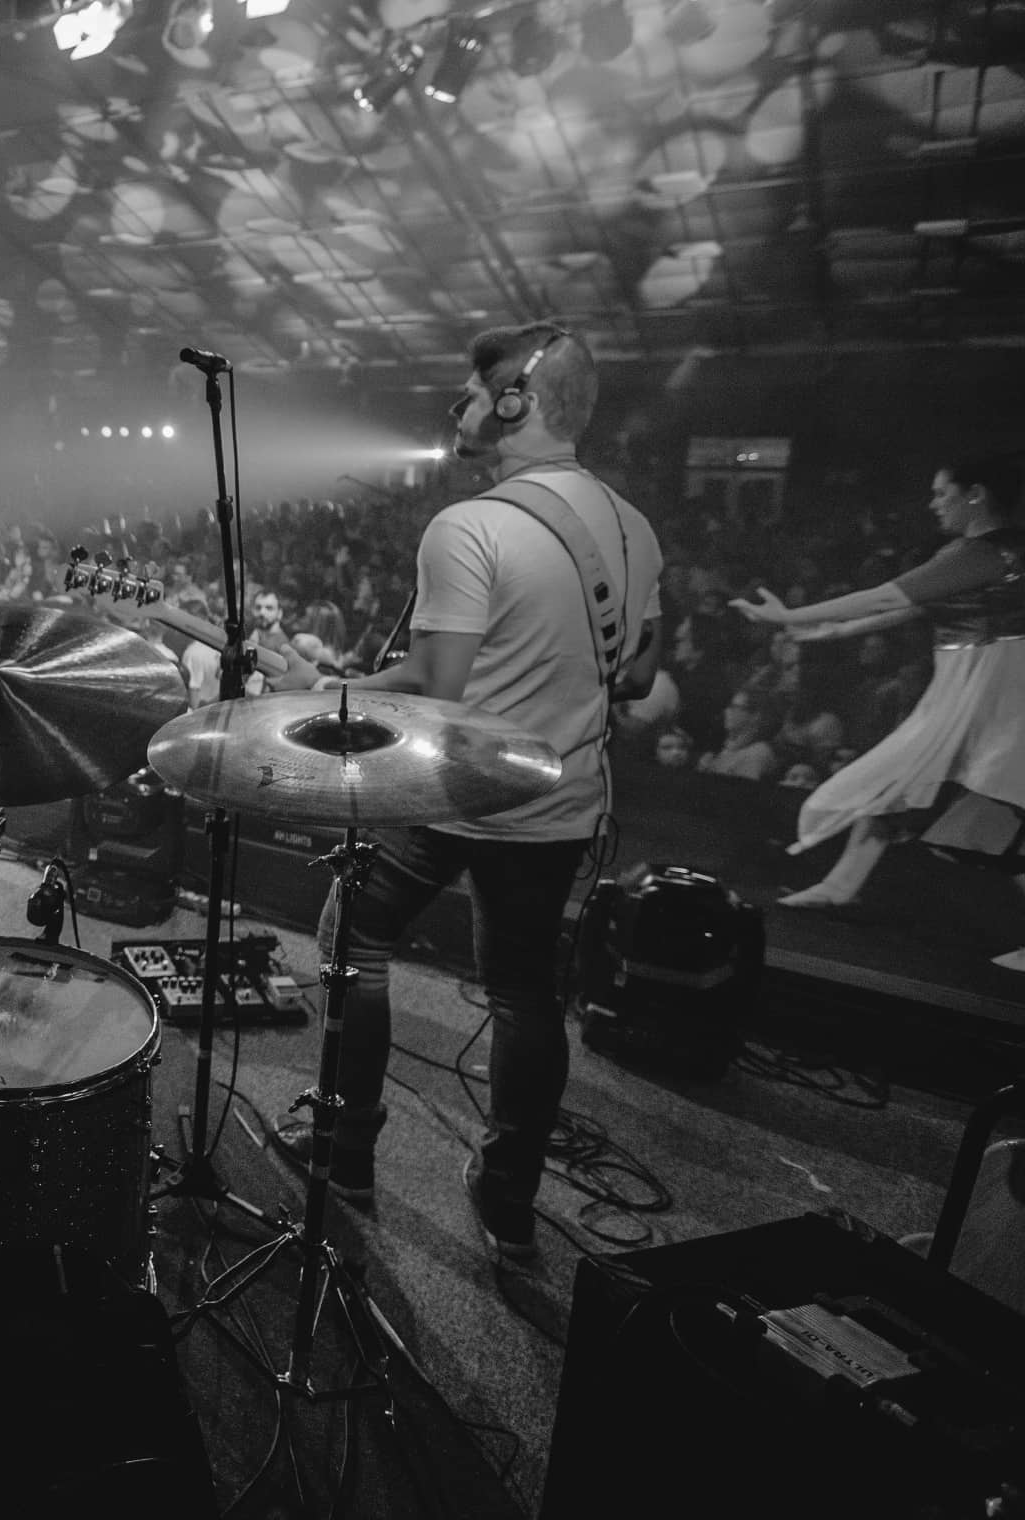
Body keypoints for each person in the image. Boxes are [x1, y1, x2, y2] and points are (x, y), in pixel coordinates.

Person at [272, 322, 662, 1262]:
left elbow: (437, 687)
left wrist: (324, 689)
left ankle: (345, 1152)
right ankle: (508, 1202)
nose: (459, 407)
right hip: (561, 801)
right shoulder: (632, 527)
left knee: (350, 941)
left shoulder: (471, 524)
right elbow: (640, 679)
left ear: (517, 402)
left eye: (472, 392)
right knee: (525, 997)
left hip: (455, 790)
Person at [733, 453, 1025, 970]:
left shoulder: (986, 552)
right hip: (970, 689)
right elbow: (914, 608)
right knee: (902, 780)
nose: (934, 503)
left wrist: (790, 615)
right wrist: (828, 632)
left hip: (997, 694)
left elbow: (880, 597)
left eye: (942, 493)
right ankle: (841, 885)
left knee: (997, 810)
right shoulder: (978, 555)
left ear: (975, 494)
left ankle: (841, 886)